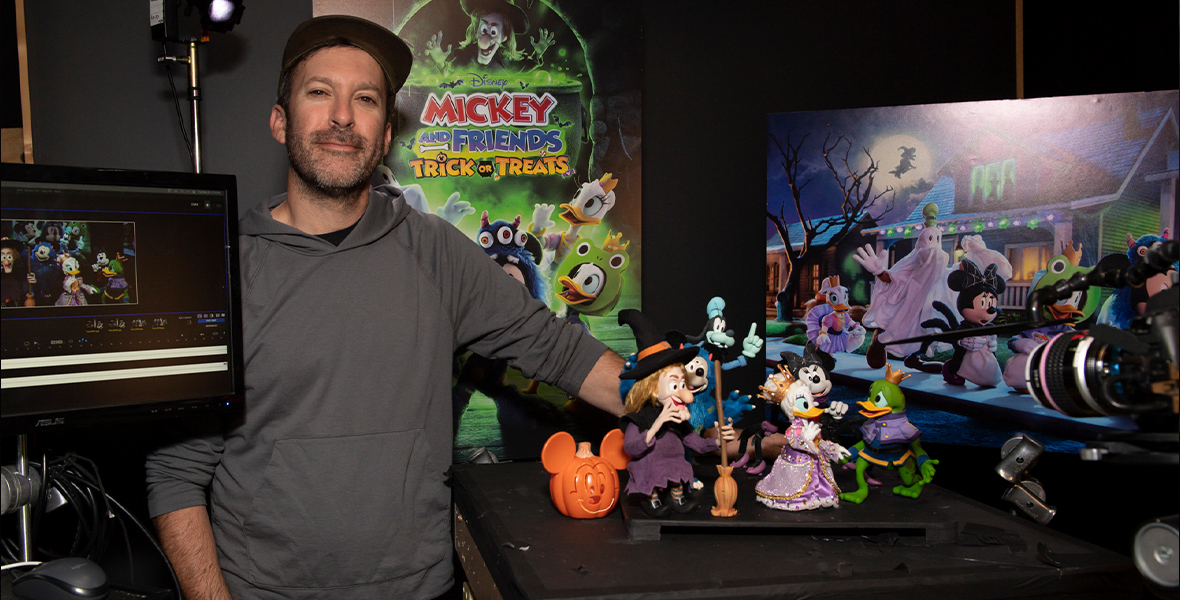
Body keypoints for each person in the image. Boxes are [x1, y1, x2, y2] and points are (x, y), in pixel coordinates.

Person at [144, 15, 625, 600]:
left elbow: (558, 349)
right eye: (319, 92)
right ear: (279, 121)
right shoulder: (221, 269)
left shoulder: (434, 250)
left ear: (386, 131)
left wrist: (691, 408)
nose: (342, 116)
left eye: (365, 99)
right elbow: (176, 473)